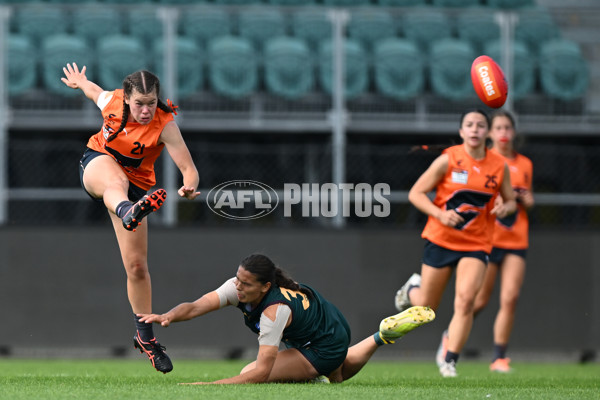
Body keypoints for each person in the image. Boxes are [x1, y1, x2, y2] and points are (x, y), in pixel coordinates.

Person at [61, 63, 201, 374]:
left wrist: (190, 184)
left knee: (137, 267)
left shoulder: (165, 124)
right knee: (116, 184)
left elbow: (188, 167)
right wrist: (80, 82)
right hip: (99, 163)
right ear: (127, 99)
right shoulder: (112, 102)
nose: (145, 110)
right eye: (139, 103)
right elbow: (94, 92)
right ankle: (127, 210)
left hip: (137, 186)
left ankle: (145, 338)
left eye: (151, 103)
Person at [138, 254, 435, 384]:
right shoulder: (240, 287)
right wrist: (168, 316)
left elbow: (261, 373)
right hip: (329, 322)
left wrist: (210, 386)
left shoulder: (273, 311)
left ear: (265, 287)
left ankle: (325, 366)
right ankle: (381, 335)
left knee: (249, 370)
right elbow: (195, 306)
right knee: (335, 374)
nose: (237, 286)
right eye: (237, 279)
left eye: (245, 284)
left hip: (325, 342)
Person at [393, 109, 517, 378]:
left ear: (488, 133)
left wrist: (505, 207)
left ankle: (449, 359)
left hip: (477, 243)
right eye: (469, 125)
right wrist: (439, 214)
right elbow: (416, 193)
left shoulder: (498, 165)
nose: (475, 129)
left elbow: (509, 200)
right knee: (426, 309)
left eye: (480, 125)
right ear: (461, 132)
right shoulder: (448, 160)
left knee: (465, 301)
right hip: (441, 238)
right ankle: (412, 288)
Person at [471, 111, 534, 372]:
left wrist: (524, 199)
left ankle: (499, 357)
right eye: (498, 127)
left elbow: (528, 202)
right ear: (490, 133)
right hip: (490, 238)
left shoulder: (525, 164)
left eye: (507, 127)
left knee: (510, 298)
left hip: (516, 239)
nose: (503, 132)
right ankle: (452, 336)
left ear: (514, 132)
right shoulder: (485, 161)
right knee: (479, 300)